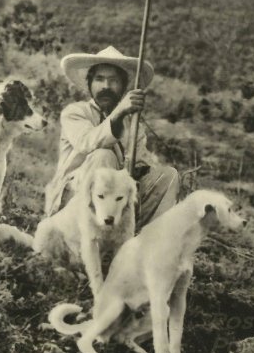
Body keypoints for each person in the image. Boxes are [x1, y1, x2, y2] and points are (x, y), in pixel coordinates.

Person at [44, 46, 179, 229]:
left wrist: (138, 169)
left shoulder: (133, 124)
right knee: (103, 156)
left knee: (168, 175)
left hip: (114, 205)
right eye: (99, 79)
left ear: (123, 87)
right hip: (74, 200)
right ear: (90, 84)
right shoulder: (75, 112)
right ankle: (89, 239)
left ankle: (146, 242)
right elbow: (87, 143)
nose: (106, 87)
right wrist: (118, 114)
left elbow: (142, 164)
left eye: (114, 80)